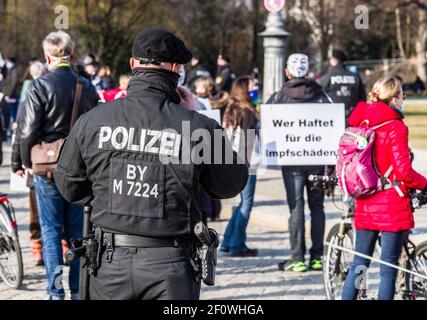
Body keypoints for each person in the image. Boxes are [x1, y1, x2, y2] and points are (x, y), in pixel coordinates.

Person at [53, 28, 248, 300]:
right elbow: (230, 184)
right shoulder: (197, 126)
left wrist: (109, 195)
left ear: (133, 65)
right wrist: (195, 115)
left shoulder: (92, 121)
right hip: (171, 266)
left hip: (109, 263)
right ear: (176, 69)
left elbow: (69, 186)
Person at [19, 31, 99, 300]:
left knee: (51, 230)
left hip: (48, 167)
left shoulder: (38, 87)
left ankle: (55, 292)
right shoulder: (86, 86)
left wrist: (22, 161)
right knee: (78, 231)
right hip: (80, 165)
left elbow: (28, 132)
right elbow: (97, 125)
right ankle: (78, 289)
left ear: (47, 57)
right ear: (72, 55)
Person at [341, 76, 427, 300]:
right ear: (394, 98)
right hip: (391, 204)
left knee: (360, 262)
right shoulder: (395, 126)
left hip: (365, 199)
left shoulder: (362, 122)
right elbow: (403, 171)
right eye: (402, 96)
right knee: (388, 269)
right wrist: (425, 183)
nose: (403, 100)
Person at [267, 53, 331, 273]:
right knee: (317, 207)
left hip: (291, 161)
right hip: (317, 159)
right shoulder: (322, 95)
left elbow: (264, 129)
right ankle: (317, 257)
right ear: (308, 72)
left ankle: (297, 258)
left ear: (287, 72)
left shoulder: (277, 97)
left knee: (296, 208)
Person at [12, 61, 47, 267]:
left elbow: (22, 133)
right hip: (59, 161)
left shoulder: (31, 95)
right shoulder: (70, 88)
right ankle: (58, 246)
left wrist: (19, 162)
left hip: (38, 161)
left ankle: (37, 248)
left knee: (35, 207)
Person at [220, 76, 259, 257]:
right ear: (244, 89)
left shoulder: (231, 108)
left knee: (241, 202)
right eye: (251, 85)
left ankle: (228, 240)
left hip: (231, 159)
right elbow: (247, 140)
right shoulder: (247, 111)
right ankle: (237, 244)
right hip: (245, 162)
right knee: (246, 203)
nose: (254, 88)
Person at [319, 49, 366, 123]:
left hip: (332, 118)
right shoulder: (355, 76)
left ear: (333, 60)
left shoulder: (328, 76)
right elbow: (363, 99)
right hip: (352, 118)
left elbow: (319, 95)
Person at [1, 56, 23, 136]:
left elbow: (13, 84)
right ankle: (10, 130)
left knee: (13, 114)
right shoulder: (10, 70)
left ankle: (13, 131)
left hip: (12, 96)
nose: (6, 63)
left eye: (7, 62)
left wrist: (8, 95)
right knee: (9, 113)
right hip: (10, 95)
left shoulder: (14, 71)